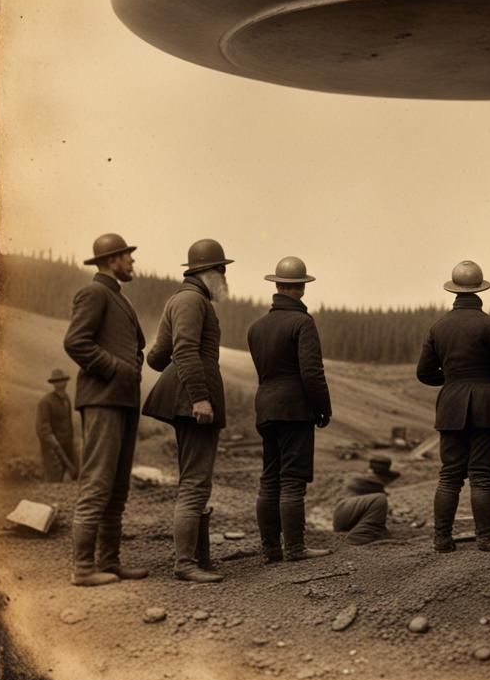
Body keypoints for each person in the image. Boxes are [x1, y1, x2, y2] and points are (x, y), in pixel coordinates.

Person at [143, 239, 233, 583]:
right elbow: (183, 348)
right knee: (196, 482)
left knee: (192, 479)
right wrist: (198, 397)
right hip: (195, 401)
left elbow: (157, 357)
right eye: (220, 269)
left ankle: (197, 558)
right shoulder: (193, 300)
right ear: (204, 271)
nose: (224, 275)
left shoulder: (181, 300)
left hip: (187, 398)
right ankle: (186, 564)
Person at [416, 260, 490, 554]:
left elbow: (423, 373)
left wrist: (452, 379)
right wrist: (485, 379)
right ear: (480, 290)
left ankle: (442, 540)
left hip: (450, 405)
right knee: (482, 476)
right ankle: (485, 538)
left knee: (449, 475)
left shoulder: (438, 327)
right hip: (486, 403)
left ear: (454, 291)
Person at [63, 232, 147, 586]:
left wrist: (135, 365)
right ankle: (83, 569)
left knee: (117, 486)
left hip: (122, 401)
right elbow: (75, 342)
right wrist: (116, 369)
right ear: (113, 260)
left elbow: (134, 347)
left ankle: (109, 563)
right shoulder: (95, 292)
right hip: (103, 401)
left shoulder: (115, 296)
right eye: (127, 256)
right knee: (98, 483)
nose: (132, 262)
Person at [247, 257, 332, 563]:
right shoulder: (302, 323)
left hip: (265, 407)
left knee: (269, 479)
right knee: (293, 480)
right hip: (295, 409)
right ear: (301, 288)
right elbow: (312, 373)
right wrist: (323, 408)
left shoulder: (256, 328)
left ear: (277, 286)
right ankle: (295, 548)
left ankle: (271, 549)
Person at [333, 456, 401, 545]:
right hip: (344, 512)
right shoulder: (368, 480)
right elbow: (382, 482)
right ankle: (364, 534)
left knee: (379, 503)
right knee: (379, 499)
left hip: (346, 515)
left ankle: (367, 530)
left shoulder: (367, 479)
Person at [37, 368, 78, 482]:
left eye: (62, 380)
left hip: (67, 448)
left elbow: (69, 425)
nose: (60, 383)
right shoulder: (45, 402)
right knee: (54, 481)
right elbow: (44, 430)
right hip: (53, 451)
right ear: (53, 384)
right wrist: (56, 446)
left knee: (73, 476)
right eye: (57, 381)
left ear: (66, 382)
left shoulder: (67, 399)